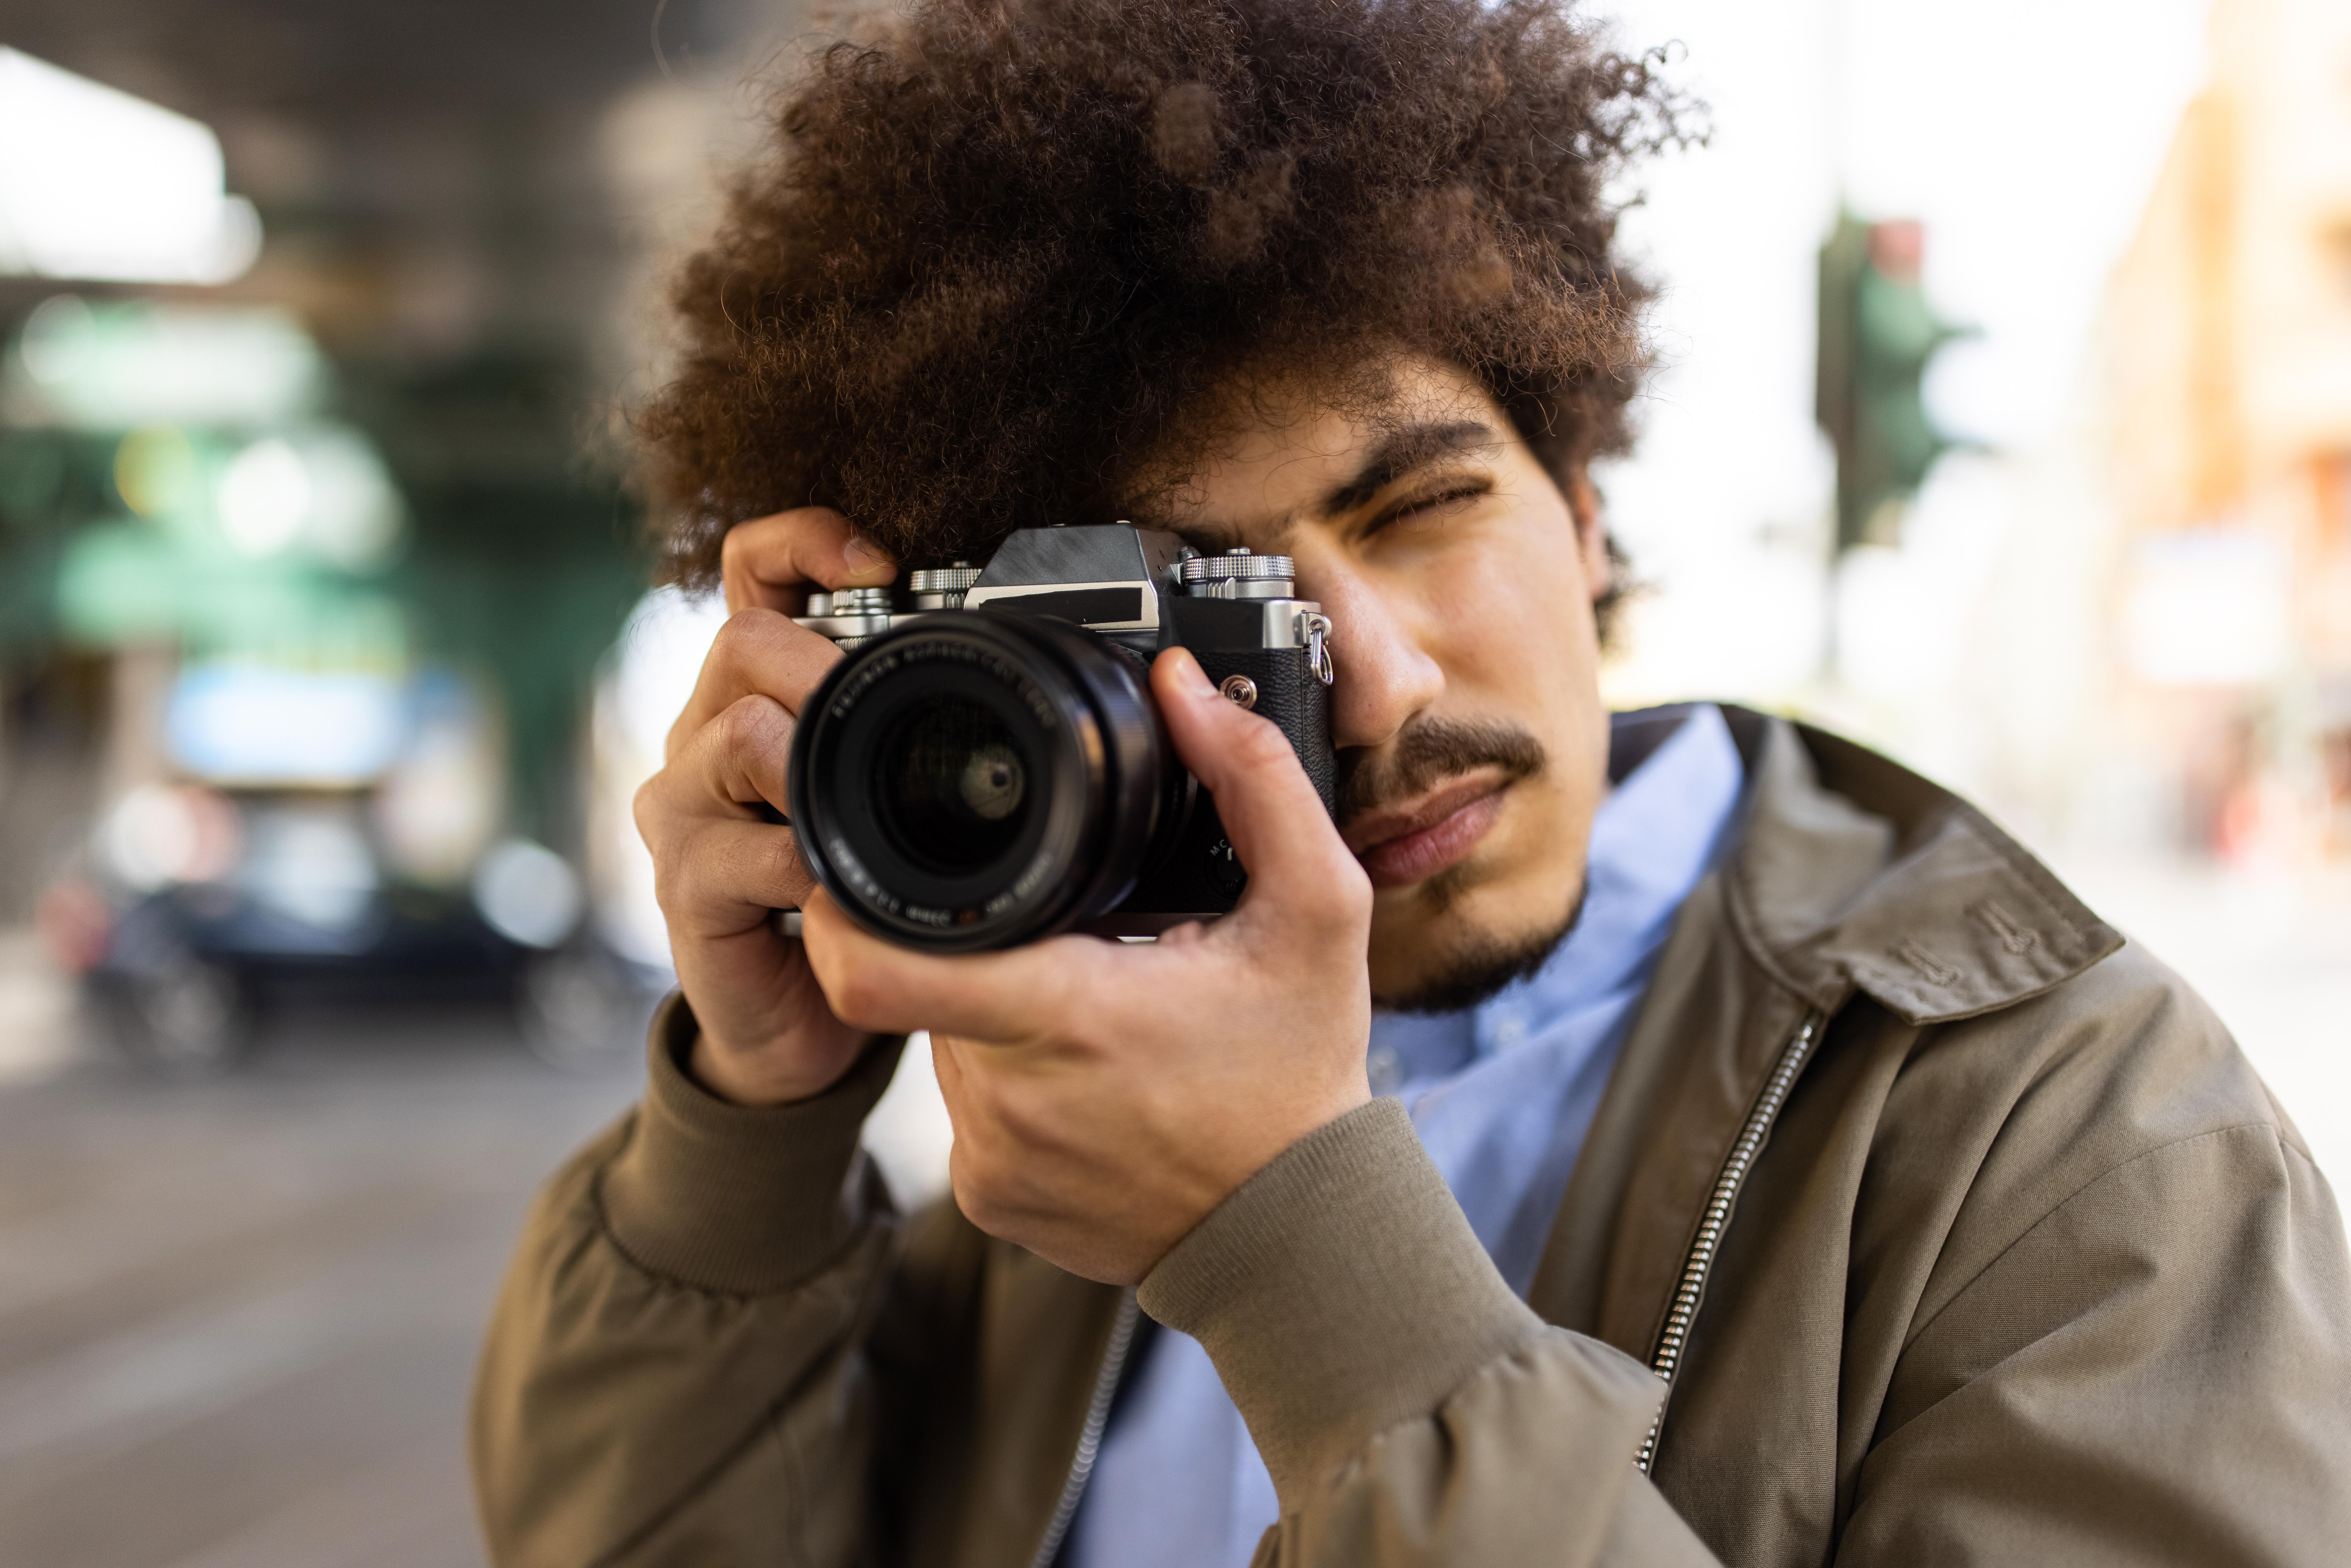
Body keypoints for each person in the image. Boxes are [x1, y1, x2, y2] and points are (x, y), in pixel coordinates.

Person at [470, 1, 2351, 1563]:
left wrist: (1303, 1252)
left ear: (1588, 511)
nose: (1371, 683)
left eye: (1422, 507)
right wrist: (751, 1125)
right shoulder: (1057, 1113)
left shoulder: (2073, 1140)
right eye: (1210, 606)